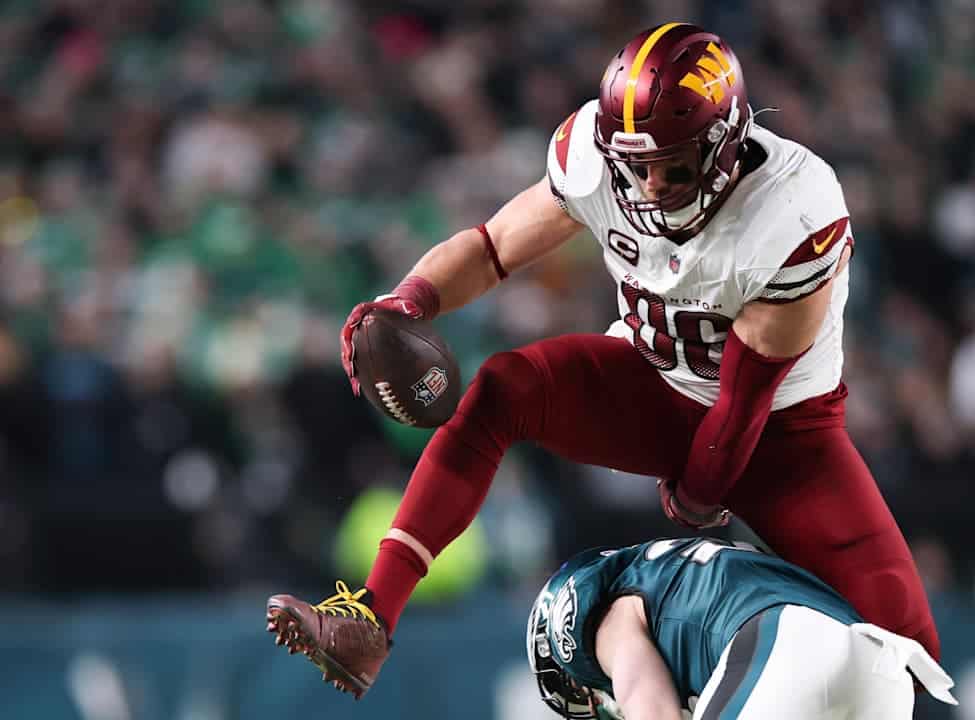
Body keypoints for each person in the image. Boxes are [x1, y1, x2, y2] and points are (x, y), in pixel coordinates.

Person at [265, 22, 939, 698]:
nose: (647, 185)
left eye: (672, 165)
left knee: (909, 652)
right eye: (634, 164)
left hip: (782, 433)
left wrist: (698, 491)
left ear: (725, 145)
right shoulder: (594, 152)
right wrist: (409, 300)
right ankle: (370, 621)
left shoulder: (792, 211)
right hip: (653, 380)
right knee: (502, 388)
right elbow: (495, 246)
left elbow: (742, 407)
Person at [526, 537, 957, 719]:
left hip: (781, 650)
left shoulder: (609, 620)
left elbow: (650, 710)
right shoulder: (676, 580)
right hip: (875, 664)